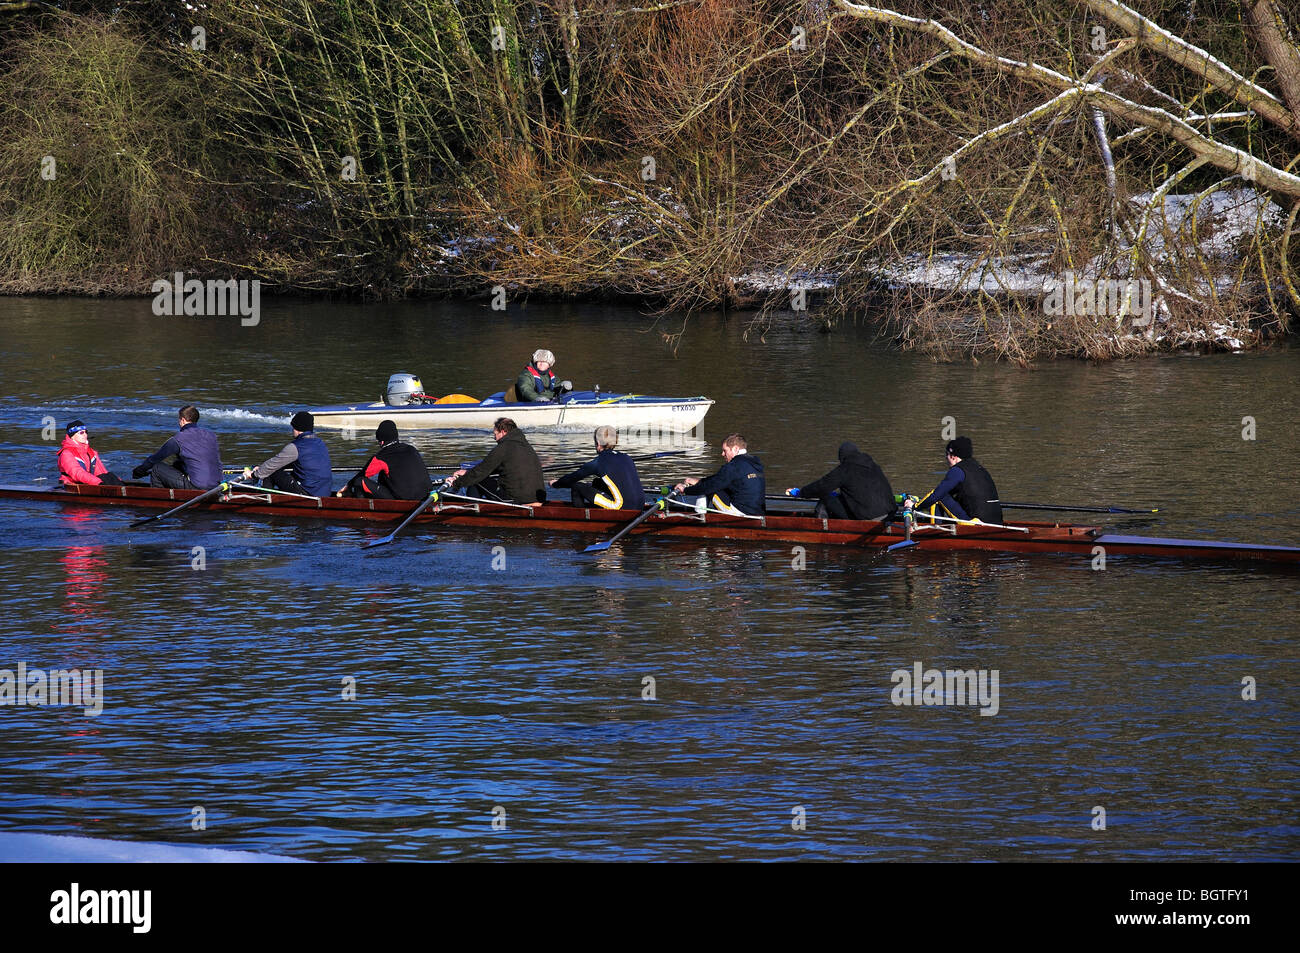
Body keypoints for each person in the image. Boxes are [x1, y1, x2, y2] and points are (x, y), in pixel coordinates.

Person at [785, 441, 895, 520]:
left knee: (825, 498)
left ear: (842, 458)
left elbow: (821, 487)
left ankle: (821, 532)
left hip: (870, 517)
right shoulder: (873, 465)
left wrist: (801, 492)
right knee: (838, 497)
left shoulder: (846, 468)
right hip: (889, 512)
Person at [905, 436, 1003, 523]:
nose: (946, 459)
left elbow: (936, 495)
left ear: (953, 456)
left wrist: (914, 506)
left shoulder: (957, 471)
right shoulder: (980, 468)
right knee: (942, 496)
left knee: (940, 497)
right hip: (997, 522)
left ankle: (935, 535)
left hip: (976, 524)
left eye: (946, 455)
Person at [450, 418, 546, 504]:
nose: (494, 438)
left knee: (476, 481)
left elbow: (481, 472)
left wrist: (456, 483)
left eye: (495, 434)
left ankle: (471, 513)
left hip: (517, 499)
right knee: (479, 478)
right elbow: (495, 468)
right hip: (538, 498)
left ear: (503, 432)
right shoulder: (526, 446)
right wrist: (467, 472)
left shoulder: (504, 447)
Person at [549, 426, 646, 510]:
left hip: (621, 507)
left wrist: (556, 484)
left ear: (598, 444)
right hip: (640, 504)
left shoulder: (598, 462)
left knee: (577, 486)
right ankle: (598, 511)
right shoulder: (627, 457)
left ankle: (582, 520)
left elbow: (572, 478)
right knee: (597, 482)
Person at [241, 411, 333, 497]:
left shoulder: (295, 446)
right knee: (269, 469)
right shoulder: (320, 443)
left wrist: (253, 474)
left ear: (297, 428)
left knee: (271, 471)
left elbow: (273, 465)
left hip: (308, 493)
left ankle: (266, 500)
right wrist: (261, 468)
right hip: (324, 492)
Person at [336, 420, 433, 500]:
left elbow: (364, 474)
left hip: (404, 499)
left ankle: (360, 508)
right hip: (426, 496)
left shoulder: (382, 456)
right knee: (384, 473)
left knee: (359, 481)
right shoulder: (411, 449)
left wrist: (348, 486)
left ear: (382, 441)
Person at [132, 405, 223, 490]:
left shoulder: (178, 439)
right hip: (217, 486)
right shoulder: (211, 436)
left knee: (157, 468)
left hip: (196, 486)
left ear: (183, 420)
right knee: (177, 464)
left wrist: (139, 471)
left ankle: (161, 499)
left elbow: (155, 459)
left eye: (179, 420)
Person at [673, 433, 765, 516]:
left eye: (725, 450)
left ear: (736, 449)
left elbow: (710, 486)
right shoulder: (755, 463)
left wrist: (685, 490)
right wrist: (699, 481)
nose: (722, 454)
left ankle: (698, 521)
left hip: (741, 512)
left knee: (707, 489)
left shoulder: (733, 466)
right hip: (758, 512)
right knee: (710, 485)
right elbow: (719, 479)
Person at [58, 420, 123, 487]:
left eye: (86, 432)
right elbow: (77, 473)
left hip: (88, 483)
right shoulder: (66, 453)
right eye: (81, 433)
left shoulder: (91, 452)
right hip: (72, 485)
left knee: (109, 476)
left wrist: (118, 481)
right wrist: (98, 482)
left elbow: (102, 471)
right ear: (72, 436)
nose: (85, 435)